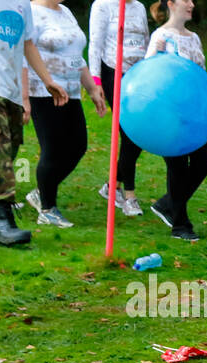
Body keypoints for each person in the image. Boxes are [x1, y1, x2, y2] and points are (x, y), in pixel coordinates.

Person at [0, 0, 67, 245]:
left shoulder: (22, 4)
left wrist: (48, 80)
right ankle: (4, 224)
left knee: (8, 148)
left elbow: (27, 44)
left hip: (11, 88)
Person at [21, 0, 107, 227]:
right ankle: (47, 209)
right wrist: (24, 97)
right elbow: (23, 53)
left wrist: (91, 87)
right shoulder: (30, 11)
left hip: (71, 92)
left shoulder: (66, 12)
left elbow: (77, 56)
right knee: (53, 149)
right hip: (42, 91)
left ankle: (41, 192)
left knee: (78, 146)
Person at [144, 0, 207, 241]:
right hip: (168, 113)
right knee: (177, 167)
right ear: (172, 4)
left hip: (193, 113)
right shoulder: (160, 36)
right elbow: (147, 73)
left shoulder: (194, 38)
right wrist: (156, 53)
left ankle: (167, 204)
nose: (192, 4)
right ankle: (180, 225)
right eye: (187, 0)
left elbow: (202, 75)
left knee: (203, 162)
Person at [88, 0, 147, 216]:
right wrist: (96, 81)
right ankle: (129, 196)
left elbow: (146, 41)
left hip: (138, 76)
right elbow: (95, 43)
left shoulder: (139, 7)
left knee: (139, 134)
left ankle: (113, 185)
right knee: (130, 133)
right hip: (114, 72)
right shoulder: (103, 5)